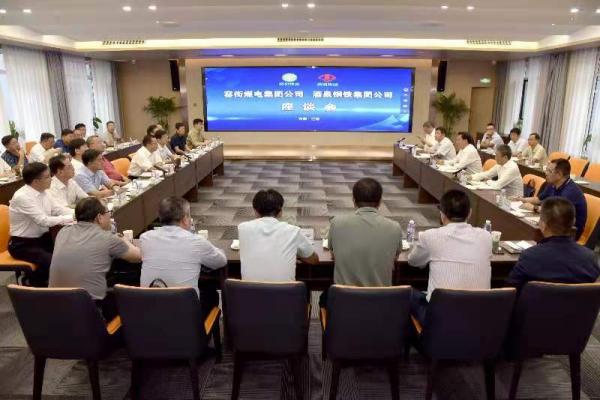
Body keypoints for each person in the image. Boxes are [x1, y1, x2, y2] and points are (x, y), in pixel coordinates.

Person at [49, 197, 141, 320]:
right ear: (99, 217)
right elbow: (138, 257)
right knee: (131, 299)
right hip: (88, 311)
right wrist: (124, 240)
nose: (110, 217)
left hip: (54, 306)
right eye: (108, 213)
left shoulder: (63, 232)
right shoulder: (108, 239)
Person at [408, 190, 492, 323]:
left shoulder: (430, 236)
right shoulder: (486, 237)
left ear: (442, 214)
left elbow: (413, 261)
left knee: (406, 293)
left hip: (440, 318)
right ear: (469, 213)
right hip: (478, 316)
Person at [320, 178, 403, 307]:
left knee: (323, 297)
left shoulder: (337, 223)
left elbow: (333, 254)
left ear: (353, 200)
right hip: (380, 303)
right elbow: (395, 257)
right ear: (380, 201)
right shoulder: (395, 227)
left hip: (344, 303)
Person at [140, 197, 227, 318]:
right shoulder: (196, 241)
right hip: (184, 317)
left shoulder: (145, 238)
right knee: (211, 292)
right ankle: (207, 327)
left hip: (150, 315)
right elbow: (221, 261)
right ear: (185, 219)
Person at [506, 197, 599, 289]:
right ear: (573, 222)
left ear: (542, 225)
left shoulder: (530, 256)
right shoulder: (590, 258)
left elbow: (511, 290)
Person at [8, 162, 73, 286]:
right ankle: (32, 284)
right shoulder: (22, 197)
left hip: (42, 239)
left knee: (69, 255)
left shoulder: (44, 191)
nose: (51, 179)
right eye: (48, 176)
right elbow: (43, 220)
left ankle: (43, 281)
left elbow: (57, 209)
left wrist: (79, 213)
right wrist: (70, 217)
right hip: (23, 244)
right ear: (36, 181)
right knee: (54, 262)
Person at [238, 189, 319, 281]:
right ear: (280, 212)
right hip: (285, 290)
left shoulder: (243, 228)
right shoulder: (293, 231)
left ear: (255, 211)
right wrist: (293, 254)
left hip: (248, 290)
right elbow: (314, 260)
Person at [517, 158, 587, 240]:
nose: (545, 173)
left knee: (530, 231)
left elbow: (556, 213)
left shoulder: (570, 192)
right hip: (554, 223)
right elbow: (539, 199)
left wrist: (534, 208)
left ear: (559, 174)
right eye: (546, 169)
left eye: (549, 171)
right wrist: (522, 199)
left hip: (568, 232)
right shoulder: (552, 184)